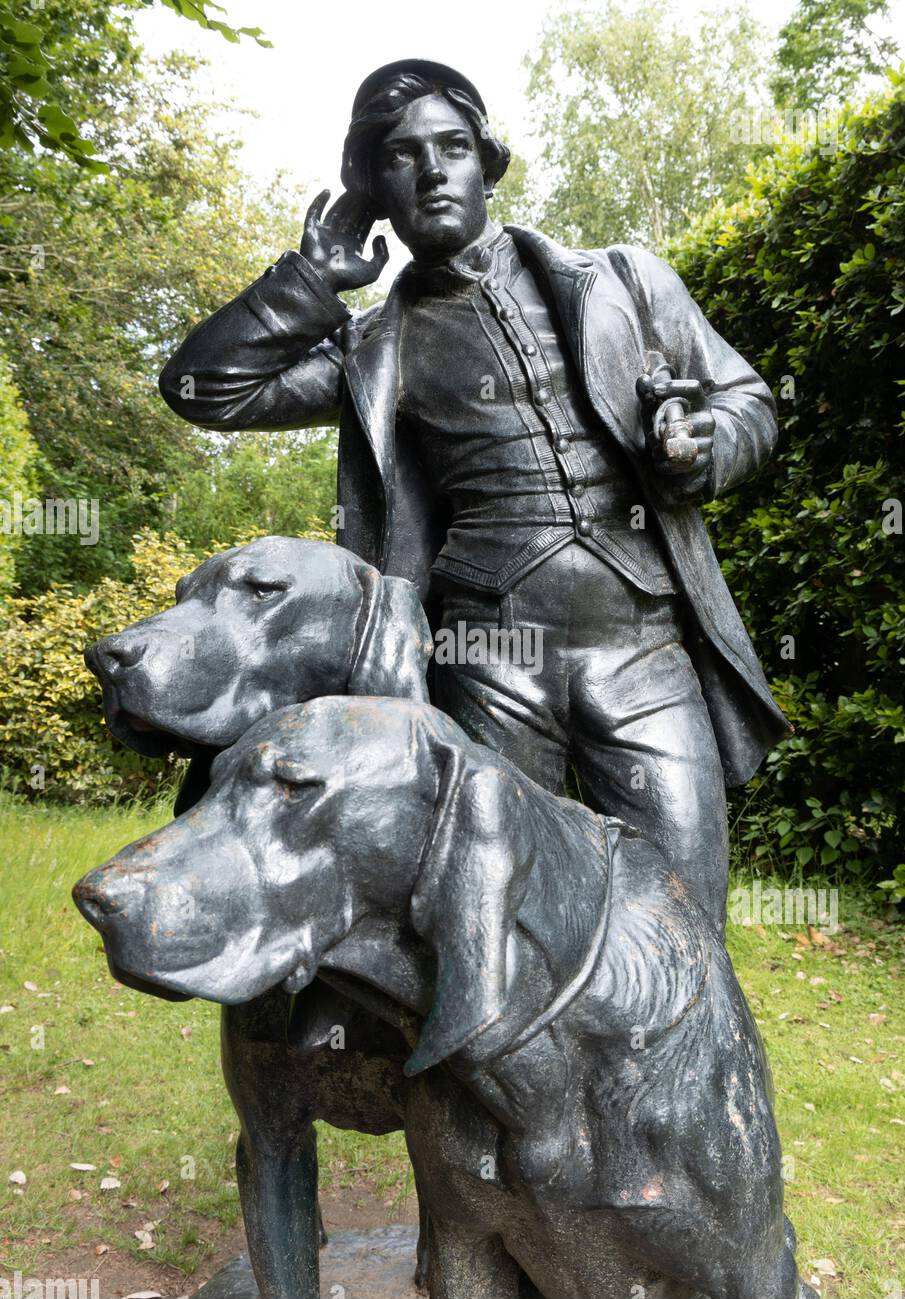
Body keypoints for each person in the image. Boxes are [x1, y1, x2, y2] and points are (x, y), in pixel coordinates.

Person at [159, 58, 789, 933]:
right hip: (489, 663)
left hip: (643, 651)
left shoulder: (621, 281)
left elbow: (746, 399)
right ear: (375, 187)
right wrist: (309, 282)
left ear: (487, 161)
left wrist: (706, 445)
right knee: (502, 921)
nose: (431, 169)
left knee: (682, 910)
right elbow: (202, 390)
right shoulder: (374, 346)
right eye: (400, 155)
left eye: (452, 145)